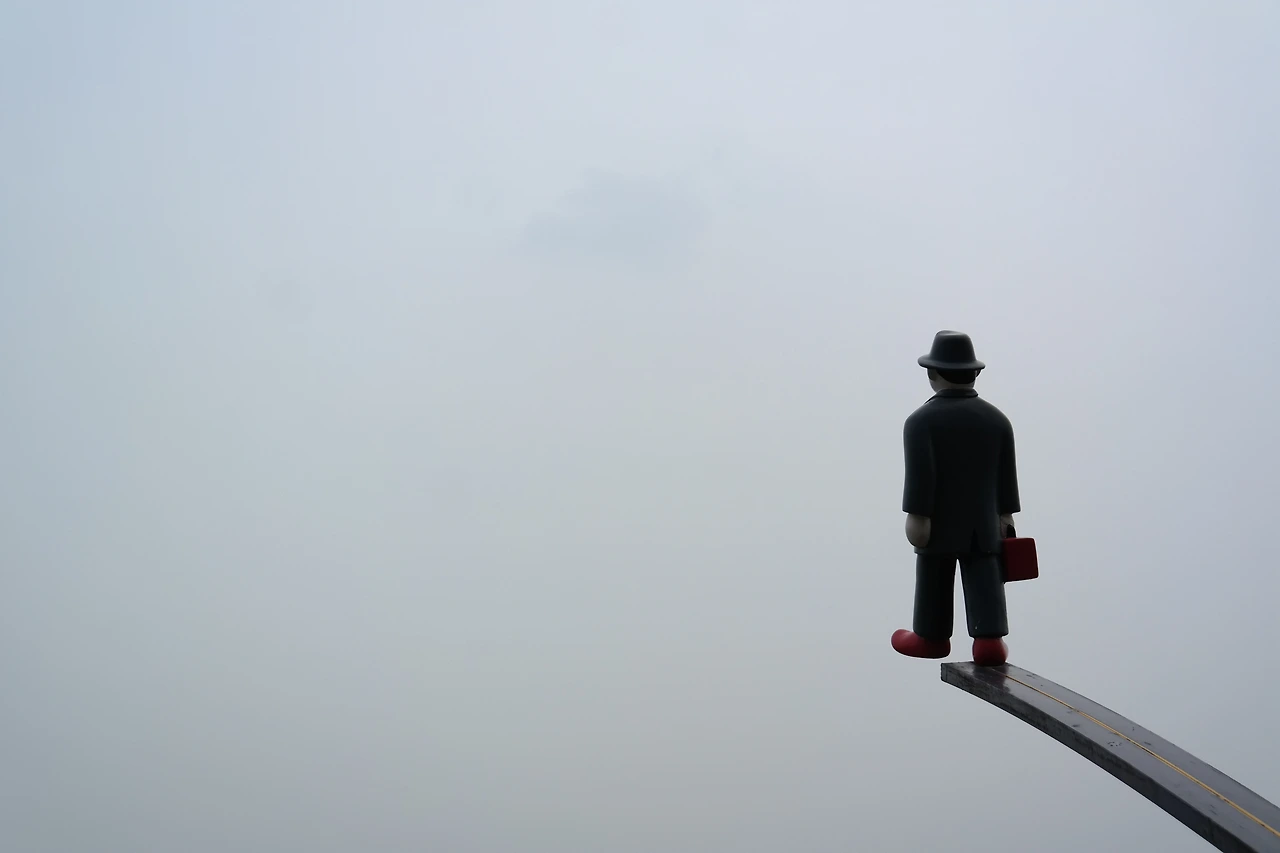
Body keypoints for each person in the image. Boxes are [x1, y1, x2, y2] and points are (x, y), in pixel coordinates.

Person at [892, 330, 1020, 666]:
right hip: (984, 525)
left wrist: (917, 515)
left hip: (938, 524)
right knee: (985, 576)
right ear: (974, 373)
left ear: (933, 373)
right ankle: (989, 640)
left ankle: (930, 636)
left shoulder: (920, 421)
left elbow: (920, 477)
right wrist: (1006, 516)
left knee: (933, 574)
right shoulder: (997, 420)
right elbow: (1006, 479)